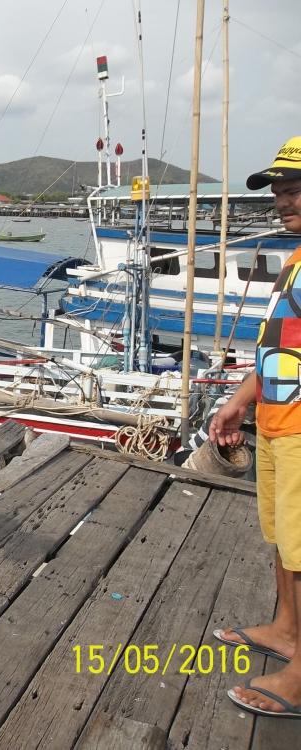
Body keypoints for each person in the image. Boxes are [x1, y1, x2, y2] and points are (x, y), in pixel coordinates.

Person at [210, 136, 301, 719]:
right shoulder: (297, 259)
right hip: (275, 421)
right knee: (283, 538)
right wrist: (240, 400)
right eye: (279, 194)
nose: (282, 203)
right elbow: (279, 343)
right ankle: (288, 630)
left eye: (294, 191)